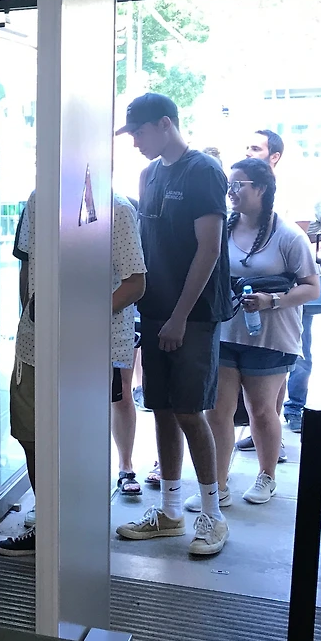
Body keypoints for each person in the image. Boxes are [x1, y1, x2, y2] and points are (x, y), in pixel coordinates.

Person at [115, 93, 232, 557]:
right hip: (154, 310)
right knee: (161, 408)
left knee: (189, 411)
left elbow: (210, 249)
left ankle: (213, 515)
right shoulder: (149, 175)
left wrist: (180, 316)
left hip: (194, 315)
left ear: (166, 124)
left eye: (140, 132)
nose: (135, 141)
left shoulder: (203, 170)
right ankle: (169, 511)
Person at [203, 158, 320, 508]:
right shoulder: (222, 228)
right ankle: (216, 484)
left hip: (271, 338)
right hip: (225, 332)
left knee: (261, 410)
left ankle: (266, 475)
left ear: (261, 189)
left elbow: (312, 287)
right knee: (217, 411)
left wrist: (272, 301)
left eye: (239, 184)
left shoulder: (288, 234)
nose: (231, 191)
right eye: (229, 184)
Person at [0, 189, 39, 556]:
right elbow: (25, 265)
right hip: (32, 345)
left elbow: (134, 281)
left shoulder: (111, 207)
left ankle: (57, 523)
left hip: (78, 349)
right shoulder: (36, 202)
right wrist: (29, 316)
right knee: (29, 433)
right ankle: (48, 514)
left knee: (68, 439)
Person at [283, 151, 321, 433]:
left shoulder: (314, 200)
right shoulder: (251, 196)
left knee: (300, 348)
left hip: (302, 284)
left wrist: (319, 245)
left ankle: (295, 408)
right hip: (268, 288)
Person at [111, 193, 147, 497]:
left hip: (120, 316)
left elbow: (137, 280)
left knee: (122, 391)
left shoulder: (122, 209)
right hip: (74, 319)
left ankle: (126, 465)